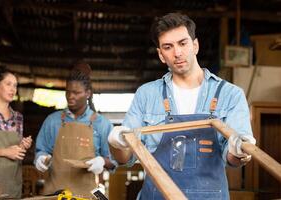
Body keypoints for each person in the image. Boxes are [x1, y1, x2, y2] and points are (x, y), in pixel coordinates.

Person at [108, 13, 256, 200]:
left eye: (183, 43)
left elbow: (234, 160)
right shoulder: (147, 95)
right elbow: (124, 158)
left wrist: (239, 150)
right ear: (161, 55)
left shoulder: (230, 95)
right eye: (168, 47)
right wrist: (116, 143)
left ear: (195, 45)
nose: (177, 53)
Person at [34, 62, 115, 197]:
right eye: (68, 92)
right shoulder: (52, 121)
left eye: (76, 93)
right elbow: (41, 150)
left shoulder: (102, 124)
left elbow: (114, 160)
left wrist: (102, 161)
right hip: (54, 194)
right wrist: (40, 158)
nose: (70, 96)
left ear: (88, 93)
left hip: (85, 196)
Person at [0, 69, 32, 199]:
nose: (12, 89)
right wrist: (4, 152)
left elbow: (15, 151)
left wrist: (23, 145)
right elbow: (7, 151)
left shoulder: (18, 117)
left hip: (12, 188)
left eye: (15, 85)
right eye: (8, 84)